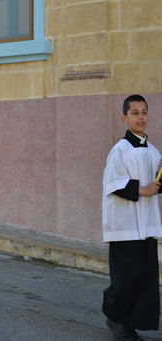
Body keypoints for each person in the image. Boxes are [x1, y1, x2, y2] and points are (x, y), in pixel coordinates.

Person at [102, 94, 162, 341]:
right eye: (135, 113)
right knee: (127, 276)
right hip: (125, 226)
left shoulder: (153, 150)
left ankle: (131, 322)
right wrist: (143, 189)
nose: (141, 117)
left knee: (146, 277)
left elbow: (157, 183)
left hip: (146, 225)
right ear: (124, 118)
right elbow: (115, 183)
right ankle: (115, 316)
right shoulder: (120, 150)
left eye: (144, 112)